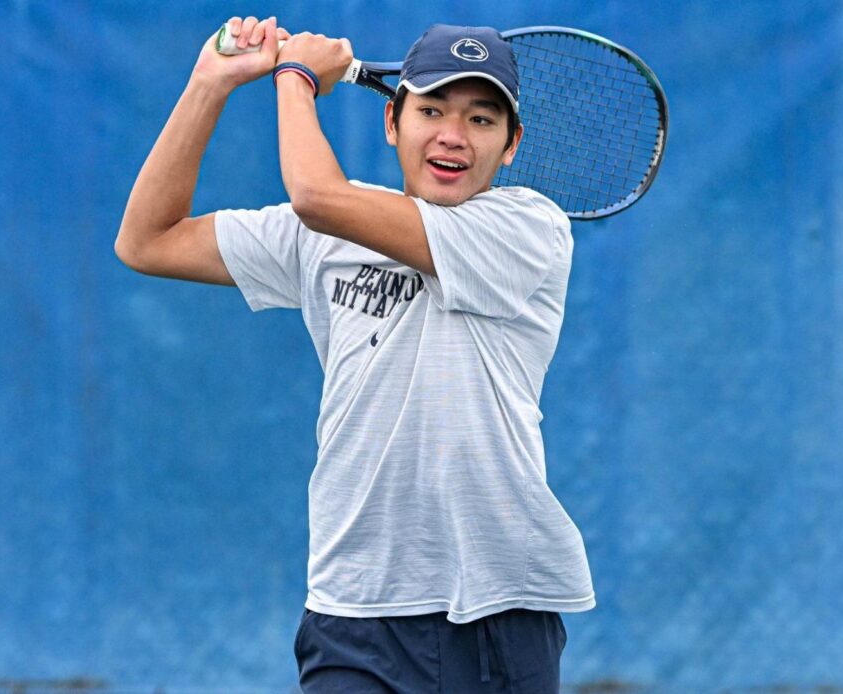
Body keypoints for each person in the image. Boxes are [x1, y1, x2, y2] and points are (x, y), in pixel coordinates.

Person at [117, 15, 595, 693]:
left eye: (482, 120)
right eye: (431, 110)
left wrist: (294, 79)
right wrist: (210, 84)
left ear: (511, 145)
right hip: (353, 610)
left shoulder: (529, 228)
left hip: (497, 608)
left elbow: (316, 197)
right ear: (392, 123)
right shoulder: (325, 235)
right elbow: (148, 240)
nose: (453, 136)